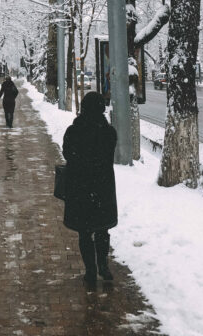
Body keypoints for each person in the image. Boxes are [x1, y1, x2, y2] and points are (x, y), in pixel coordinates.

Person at [62, 91, 118, 291]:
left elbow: (67, 153)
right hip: (102, 188)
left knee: (85, 232)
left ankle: (90, 271)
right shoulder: (108, 132)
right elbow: (109, 156)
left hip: (81, 188)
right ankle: (103, 265)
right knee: (102, 228)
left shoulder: (73, 131)